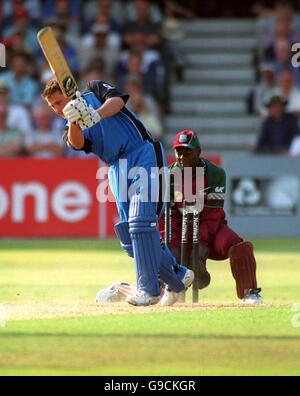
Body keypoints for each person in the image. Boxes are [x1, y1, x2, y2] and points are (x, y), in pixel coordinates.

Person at [42, 79, 194, 306]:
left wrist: (96, 114)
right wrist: (75, 120)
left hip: (141, 151)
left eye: (58, 102)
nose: (56, 109)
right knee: (129, 237)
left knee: (141, 221)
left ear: (69, 93)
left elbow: (118, 102)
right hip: (116, 168)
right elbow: (77, 144)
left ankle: (149, 291)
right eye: (52, 106)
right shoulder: (69, 123)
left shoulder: (94, 90)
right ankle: (177, 275)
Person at [159, 129, 263, 305]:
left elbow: (211, 217)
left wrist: (198, 256)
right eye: (179, 152)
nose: (182, 157)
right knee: (160, 250)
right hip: (178, 233)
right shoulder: (167, 176)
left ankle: (249, 293)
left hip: (211, 233)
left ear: (199, 152)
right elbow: (168, 220)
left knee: (238, 246)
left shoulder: (215, 174)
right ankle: (159, 290)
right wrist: (174, 257)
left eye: (188, 152)